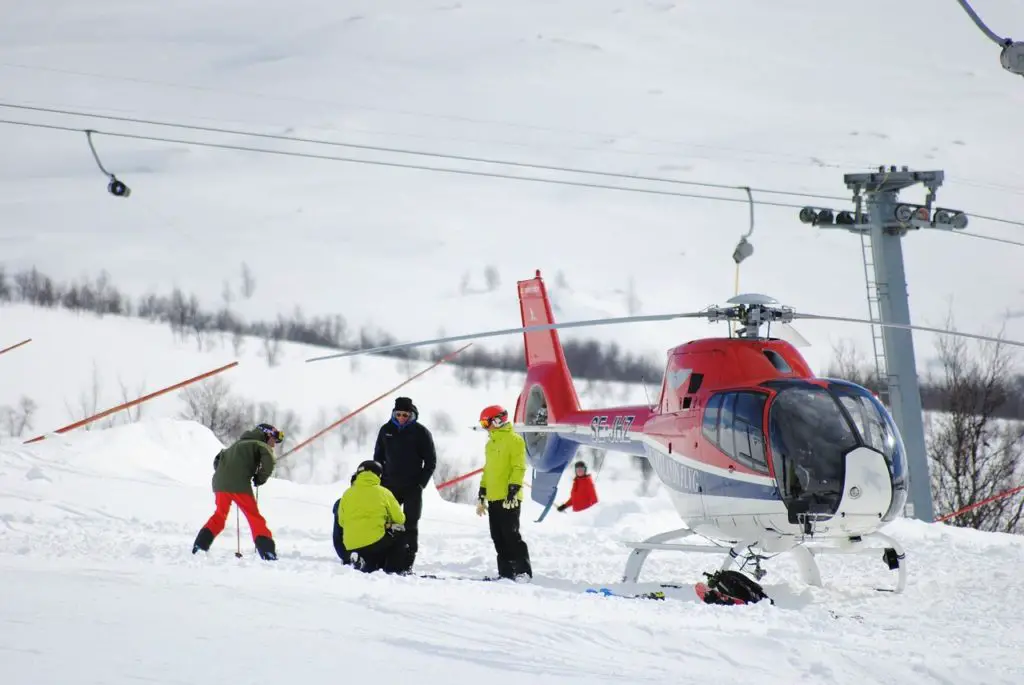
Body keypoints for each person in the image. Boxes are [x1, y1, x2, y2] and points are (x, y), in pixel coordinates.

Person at [192, 423, 281, 561]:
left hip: (219, 485)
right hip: (239, 486)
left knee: (219, 516)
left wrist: (230, 473)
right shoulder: (260, 445)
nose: (274, 444)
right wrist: (260, 478)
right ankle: (268, 552)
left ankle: (200, 545)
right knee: (254, 517)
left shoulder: (234, 446)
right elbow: (269, 462)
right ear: (266, 434)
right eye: (274, 439)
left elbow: (217, 461)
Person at [372, 396, 436, 566]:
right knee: (387, 522)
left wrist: (420, 484)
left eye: (405, 415)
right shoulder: (385, 430)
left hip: (412, 487)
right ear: (394, 414)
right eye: (398, 414)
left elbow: (430, 462)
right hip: (388, 485)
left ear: (412, 414)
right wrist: (378, 480)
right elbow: (378, 458)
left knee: (410, 524)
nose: (401, 418)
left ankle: (407, 561)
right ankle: (385, 558)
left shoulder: (421, 433)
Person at [476, 404, 532, 581]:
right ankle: (506, 573)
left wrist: (514, 489)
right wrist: (482, 491)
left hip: (509, 498)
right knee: (497, 536)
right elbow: (488, 470)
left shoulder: (514, 440)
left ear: (498, 420)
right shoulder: (490, 444)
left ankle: (522, 572)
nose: (485, 427)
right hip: (493, 497)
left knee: (511, 535)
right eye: (483, 424)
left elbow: (519, 467)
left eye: (487, 423)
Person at [337, 460, 412, 574]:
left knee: (372, 545)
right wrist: (387, 523)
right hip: (374, 542)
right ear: (378, 475)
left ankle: (363, 562)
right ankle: (395, 570)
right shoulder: (383, 492)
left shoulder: (347, 494)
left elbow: (341, 522)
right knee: (400, 534)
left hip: (350, 544)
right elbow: (400, 519)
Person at [331, 472, 358, 564]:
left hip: (346, 552)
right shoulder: (380, 500)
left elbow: (337, 536)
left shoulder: (341, 503)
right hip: (371, 553)